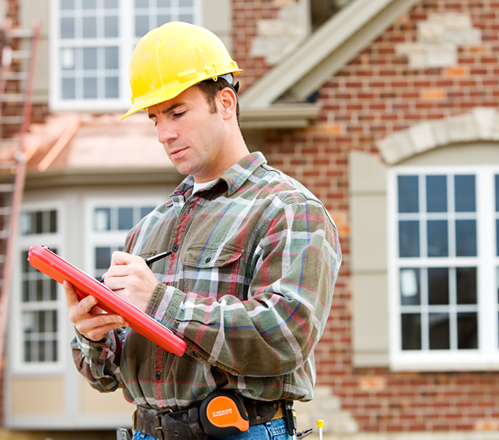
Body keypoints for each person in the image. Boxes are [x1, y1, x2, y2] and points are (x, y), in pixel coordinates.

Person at [63, 22, 341, 440]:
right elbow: (107, 378)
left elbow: (285, 335)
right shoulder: (149, 229)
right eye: (154, 117)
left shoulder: (289, 208)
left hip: (239, 431)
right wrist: (94, 337)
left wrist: (159, 301)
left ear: (225, 102)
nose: (164, 134)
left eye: (177, 112)